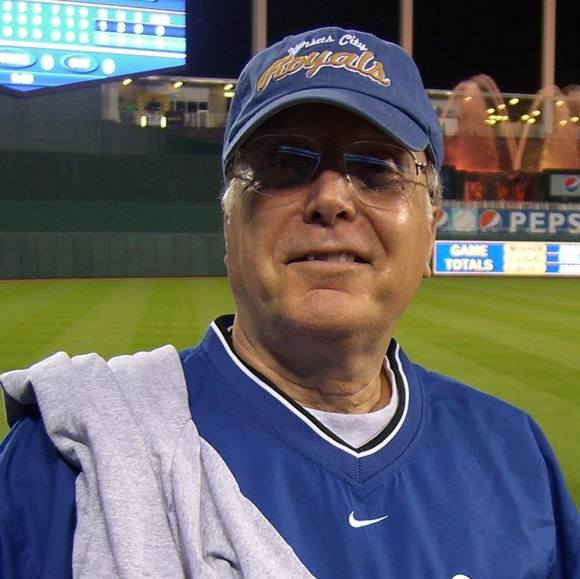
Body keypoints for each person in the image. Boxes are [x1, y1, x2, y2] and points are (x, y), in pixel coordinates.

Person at [1, 26, 579, 579]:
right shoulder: (64, 466)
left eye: (378, 169)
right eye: (282, 165)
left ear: (431, 233)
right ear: (229, 227)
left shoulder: (514, 452)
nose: (331, 198)